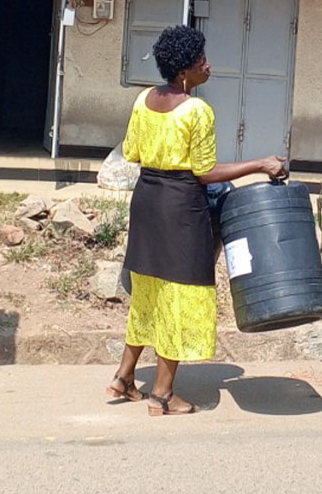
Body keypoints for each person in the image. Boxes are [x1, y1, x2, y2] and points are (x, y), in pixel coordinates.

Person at [105, 25, 287, 416]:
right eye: (201, 60)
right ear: (184, 71)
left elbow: (133, 152)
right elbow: (203, 172)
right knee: (181, 298)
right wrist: (260, 164)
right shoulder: (197, 110)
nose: (209, 65)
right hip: (180, 211)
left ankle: (123, 378)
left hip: (147, 203)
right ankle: (164, 394)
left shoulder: (142, 101)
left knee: (149, 295)